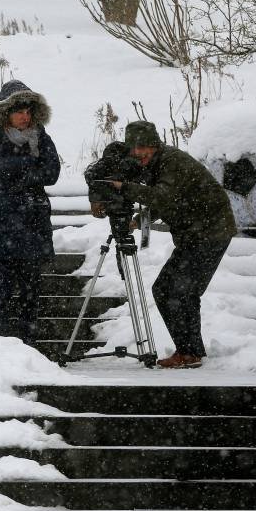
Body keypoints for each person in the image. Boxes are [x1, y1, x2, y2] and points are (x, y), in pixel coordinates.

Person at [102, 120, 237, 369]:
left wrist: (124, 188)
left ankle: (189, 352)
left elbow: (163, 195)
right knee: (179, 291)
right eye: (135, 148)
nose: (140, 152)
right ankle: (191, 352)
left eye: (145, 147)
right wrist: (142, 219)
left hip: (209, 232)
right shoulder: (158, 163)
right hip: (200, 233)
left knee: (170, 289)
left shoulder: (172, 161)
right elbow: (169, 199)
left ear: (155, 145)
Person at [0, 80, 61, 345]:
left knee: (31, 288)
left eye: (28, 111)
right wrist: (30, 164)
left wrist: (18, 171)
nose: (24, 116)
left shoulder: (43, 137)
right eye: (18, 111)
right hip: (4, 220)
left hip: (33, 220)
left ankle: (29, 341)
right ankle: (0, 341)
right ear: (7, 112)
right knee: (2, 286)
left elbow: (52, 174)